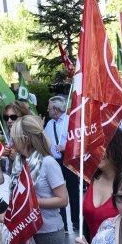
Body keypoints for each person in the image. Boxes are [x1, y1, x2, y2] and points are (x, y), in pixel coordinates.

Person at [10, 115, 68, 244]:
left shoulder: (48, 163)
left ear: (25, 139)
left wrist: (31, 201)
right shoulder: (18, 163)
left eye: (15, 137)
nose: (11, 141)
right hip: (24, 230)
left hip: (48, 231)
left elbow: (63, 200)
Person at [84, 129, 122, 240]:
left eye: (103, 146)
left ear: (117, 148)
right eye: (95, 147)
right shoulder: (91, 178)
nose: (98, 152)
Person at [45, 95, 79, 233]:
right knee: (58, 192)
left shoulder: (71, 120)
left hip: (69, 160)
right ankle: (63, 224)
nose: (47, 110)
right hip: (55, 162)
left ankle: (76, 222)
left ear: (55, 109)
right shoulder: (49, 124)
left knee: (73, 192)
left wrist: (66, 147)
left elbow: (78, 140)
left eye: (49, 108)